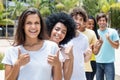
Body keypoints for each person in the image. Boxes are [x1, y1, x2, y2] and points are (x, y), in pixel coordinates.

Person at [2, 7, 62, 80]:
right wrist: (17, 65)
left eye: (36, 23)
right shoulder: (12, 51)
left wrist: (57, 65)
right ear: (23, 26)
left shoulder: (52, 47)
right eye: (29, 23)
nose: (33, 27)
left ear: (41, 25)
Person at [70, 7, 102, 80]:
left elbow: (85, 59)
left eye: (81, 19)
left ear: (83, 22)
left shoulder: (84, 38)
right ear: (70, 19)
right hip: (67, 73)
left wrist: (89, 54)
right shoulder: (64, 35)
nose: (78, 21)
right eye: (76, 18)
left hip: (80, 75)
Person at [45, 12, 76, 80]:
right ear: (50, 28)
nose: (59, 33)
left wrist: (71, 58)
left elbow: (67, 78)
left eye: (63, 32)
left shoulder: (64, 52)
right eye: (57, 29)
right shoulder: (41, 46)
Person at [95, 12, 119, 80]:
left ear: (106, 22)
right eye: (100, 20)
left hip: (109, 63)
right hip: (98, 62)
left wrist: (109, 39)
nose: (102, 22)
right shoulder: (95, 33)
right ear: (97, 22)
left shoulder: (113, 32)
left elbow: (117, 46)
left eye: (103, 20)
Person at [86, 15, 102, 80]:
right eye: (89, 24)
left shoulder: (95, 35)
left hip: (92, 62)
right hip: (83, 63)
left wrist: (100, 44)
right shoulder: (80, 35)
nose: (91, 26)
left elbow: (96, 52)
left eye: (93, 24)